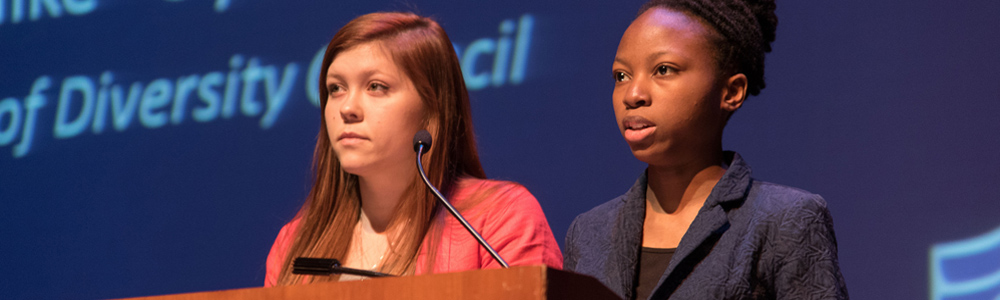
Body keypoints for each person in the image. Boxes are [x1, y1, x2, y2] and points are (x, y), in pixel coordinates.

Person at [563, 0, 848, 299]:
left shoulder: (785, 220)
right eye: (621, 76)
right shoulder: (588, 233)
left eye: (663, 70)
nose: (633, 95)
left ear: (731, 91)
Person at [265, 12, 562, 286]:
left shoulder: (499, 218)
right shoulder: (296, 243)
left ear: (431, 107)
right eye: (336, 88)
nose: (348, 108)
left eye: (376, 86)